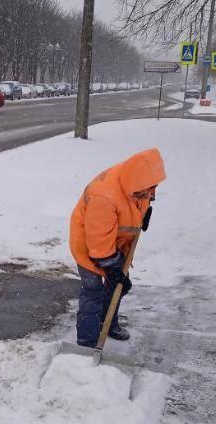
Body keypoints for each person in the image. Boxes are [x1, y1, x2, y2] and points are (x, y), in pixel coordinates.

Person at [69, 148, 167, 347]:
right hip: (89, 244)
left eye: (153, 188)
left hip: (116, 242)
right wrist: (111, 266)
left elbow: (133, 202)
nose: (151, 194)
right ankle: (87, 342)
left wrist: (142, 215)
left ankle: (106, 322)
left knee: (118, 286)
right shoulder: (104, 197)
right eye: (147, 191)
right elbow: (98, 241)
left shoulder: (139, 182)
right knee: (93, 290)